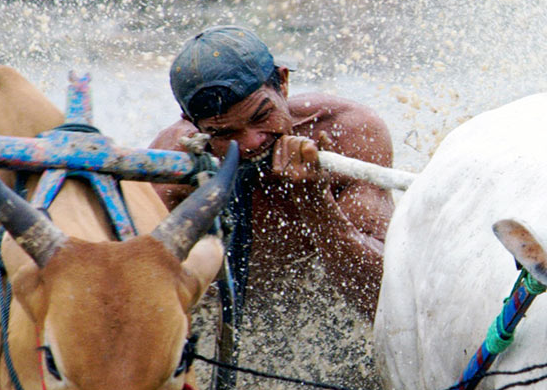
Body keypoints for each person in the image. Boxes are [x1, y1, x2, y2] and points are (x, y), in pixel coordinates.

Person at [150, 25, 394, 320]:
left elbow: (384, 300)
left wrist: (314, 202)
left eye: (262, 116)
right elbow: (145, 298)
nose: (252, 142)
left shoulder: (349, 133)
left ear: (283, 82)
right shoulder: (173, 169)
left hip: (336, 314)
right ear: (193, 124)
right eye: (225, 133)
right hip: (228, 323)